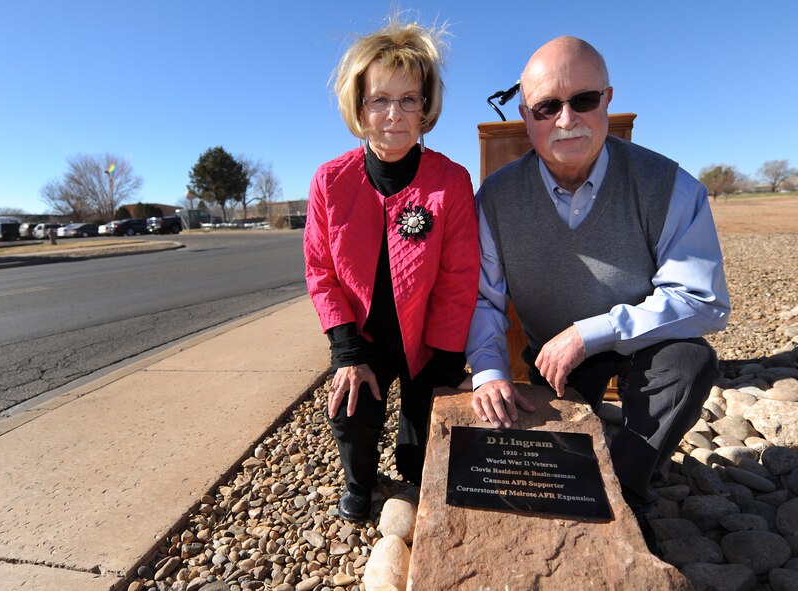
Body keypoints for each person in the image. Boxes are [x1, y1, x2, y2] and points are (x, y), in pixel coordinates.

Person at [466, 36, 730, 514]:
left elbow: (703, 299)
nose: (566, 120)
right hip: (554, 355)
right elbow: (485, 299)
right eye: (546, 107)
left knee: (689, 365)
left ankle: (621, 495)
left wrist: (590, 334)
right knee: (530, 446)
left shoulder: (669, 186)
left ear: (608, 100)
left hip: (642, 343)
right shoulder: (495, 198)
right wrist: (488, 373)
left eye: (583, 100)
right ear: (526, 117)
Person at [304, 17, 479, 521]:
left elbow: (459, 275)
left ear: (426, 108)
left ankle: (412, 449)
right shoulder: (330, 182)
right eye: (379, 99)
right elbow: (320, 271)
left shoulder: (450, 181)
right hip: (365, 337)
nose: (394, 114)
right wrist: (346, 351)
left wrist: (446, 365)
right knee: (351, 405)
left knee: (421, 452)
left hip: (427, 339)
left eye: (409, 99)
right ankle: (359, 481)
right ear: (359, 107)